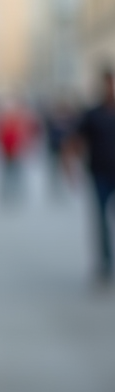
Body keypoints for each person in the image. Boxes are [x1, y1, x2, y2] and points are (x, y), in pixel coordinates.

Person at [73, 69, 115, 282]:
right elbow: (77, 140)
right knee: (101, 221)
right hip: (100, 173)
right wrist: (69, 166)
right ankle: (105, 263)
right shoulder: (93, 114)